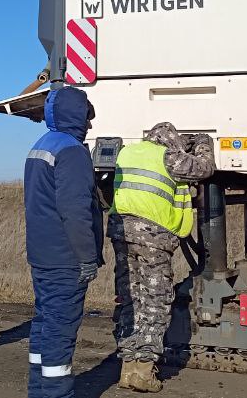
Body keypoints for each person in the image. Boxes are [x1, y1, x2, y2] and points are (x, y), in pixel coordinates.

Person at [110, 122, 215, 392]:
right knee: (154, 302)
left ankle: (128, 369)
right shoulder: (168, 156)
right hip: (153, 238)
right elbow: (204, 169)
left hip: (122, 235)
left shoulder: (126, 152)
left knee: (130, 300)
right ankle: (144, 371)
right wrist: (203, 142)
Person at [23, 86, 103, 398]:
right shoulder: (71, 151)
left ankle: (39, 391)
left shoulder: (42, 144)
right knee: (60, 330)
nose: (90, 125)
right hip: (65, 259)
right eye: (87, 117)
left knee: (44, 324)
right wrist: (87, 257)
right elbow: (75, 211)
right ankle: (57, 393)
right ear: (75, 115)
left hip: (43, 255)